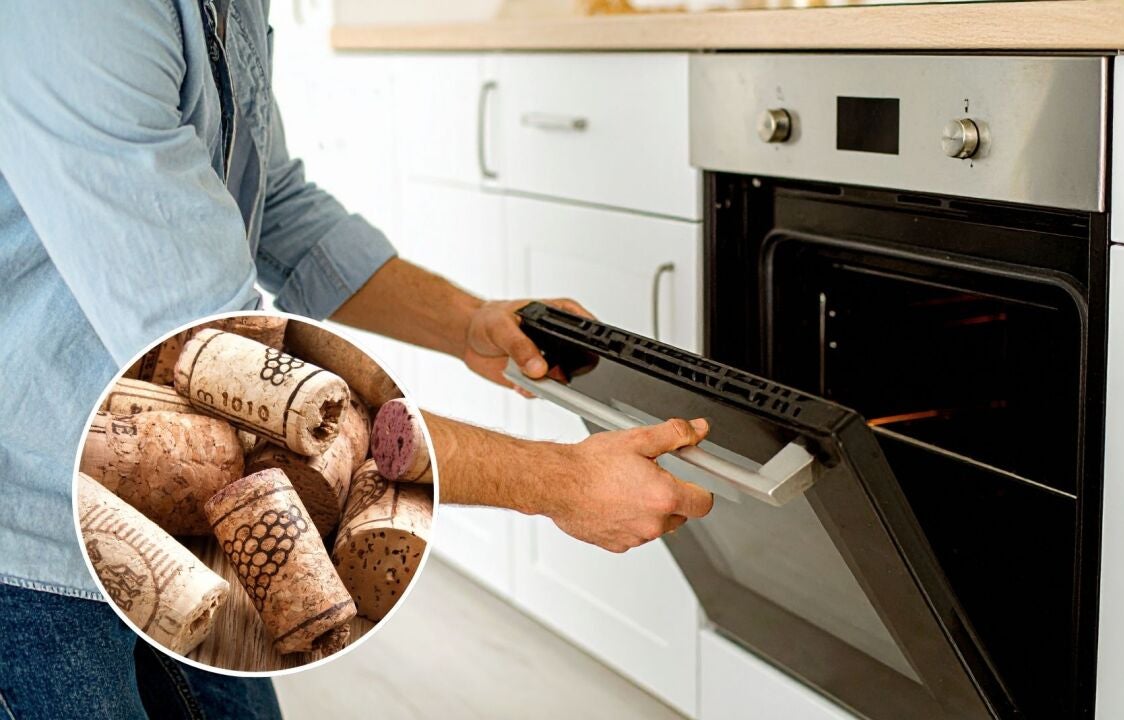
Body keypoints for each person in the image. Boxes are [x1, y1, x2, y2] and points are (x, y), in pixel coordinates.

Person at [0, 1, 714, 717]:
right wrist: (556, 481)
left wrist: (467, 323)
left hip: (176, 513)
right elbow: (226, 358)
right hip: (29, 546)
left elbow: (280, 206)